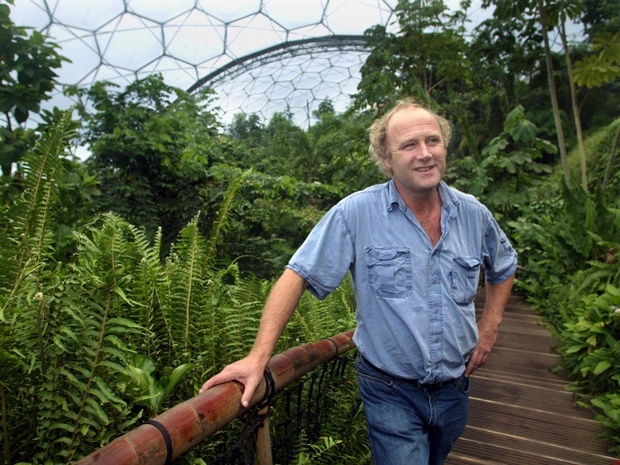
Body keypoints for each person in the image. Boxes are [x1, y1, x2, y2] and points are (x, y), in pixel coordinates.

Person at [200, 98, 517, 465]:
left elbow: (504, 265)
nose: (425, 153)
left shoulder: (473, 214)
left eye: (433, 141)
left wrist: (490, 326)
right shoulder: (356, 213)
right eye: (409, 145)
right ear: (386, 159)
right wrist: (258, 357)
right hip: (390, 390)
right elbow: (297, 274)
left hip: (455, 387)